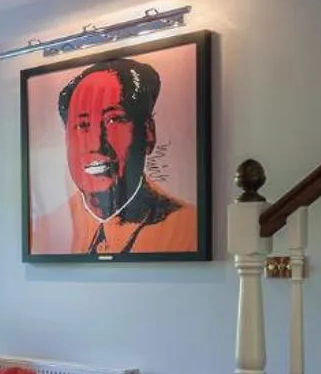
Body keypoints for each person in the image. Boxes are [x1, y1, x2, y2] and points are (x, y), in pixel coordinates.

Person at [30, 56, 198, 256]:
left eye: (113, 120)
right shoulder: (42, 232)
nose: (96, 144)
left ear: (148, 132)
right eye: (82, 125)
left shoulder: (188, 229)